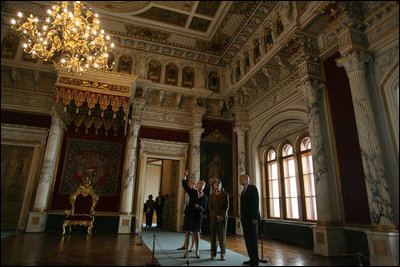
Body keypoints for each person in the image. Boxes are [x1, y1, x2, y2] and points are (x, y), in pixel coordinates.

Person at [182, 169, 208, 259]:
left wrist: (199, 207)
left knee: (196, 233)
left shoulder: (205, 197)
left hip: (197, 217)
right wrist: (185, 176)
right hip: (189, 214)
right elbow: (185, 186)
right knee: (187, 232)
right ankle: (186, 251)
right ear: (197, 185)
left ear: (204, 186)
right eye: (200, 184)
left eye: (203, 184)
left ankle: (197, 250)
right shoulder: (192, 192)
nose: (201, 185)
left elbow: (204, 209)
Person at [240, 174, 260, 266]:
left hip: (252, 220)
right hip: (245, 220)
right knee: (248, 240)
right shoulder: (244, 190)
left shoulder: (252, 188)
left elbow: (255, 204)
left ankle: (255, 261)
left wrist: (255, 217)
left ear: (247, 180)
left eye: (241, 179)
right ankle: (251, 258)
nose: (240, 180)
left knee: (253, 240)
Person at [208, 179, 229, 261]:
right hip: (213, 218)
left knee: (222, 236)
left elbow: (226, 207)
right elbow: (210, 207)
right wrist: (216, 215)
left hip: (223, 218)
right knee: (213, 236)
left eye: (218, 185)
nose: (217, 186)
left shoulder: (225, 195)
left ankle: (223, 253)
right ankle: (213, 253)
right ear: (213, 187)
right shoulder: (211, 195)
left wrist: (221, 215)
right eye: (215, 185)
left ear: (221, 186)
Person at [177, 180, 195, 252]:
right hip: (187, 212)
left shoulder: (195, 192)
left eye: (192, 184)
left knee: (194, 231)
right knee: (187, 230)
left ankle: (192, 246)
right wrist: (184, 213)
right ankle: (185, 245)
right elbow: (185, 203)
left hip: (193, 213)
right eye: (190, 183)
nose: (191, 185)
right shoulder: (186, 193)